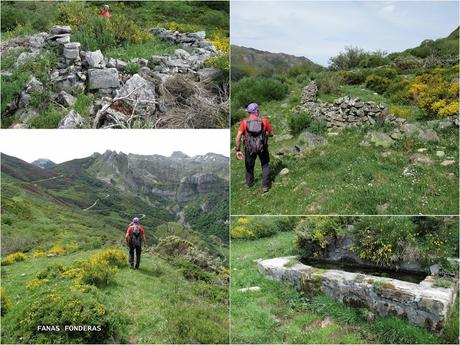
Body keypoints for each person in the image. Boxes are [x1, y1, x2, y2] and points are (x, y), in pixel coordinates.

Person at [235, 103, 273, 193]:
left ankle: (249, 183)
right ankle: (265, 186)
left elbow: (238, 137)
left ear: (249, 112)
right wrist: (266, 134)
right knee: (265, 164)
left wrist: (238, 150)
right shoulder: (264, 121)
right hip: (262, 147)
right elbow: (271, 133)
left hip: (249, 149)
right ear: (257, 111)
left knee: (249, 166)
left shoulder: (244, 122)